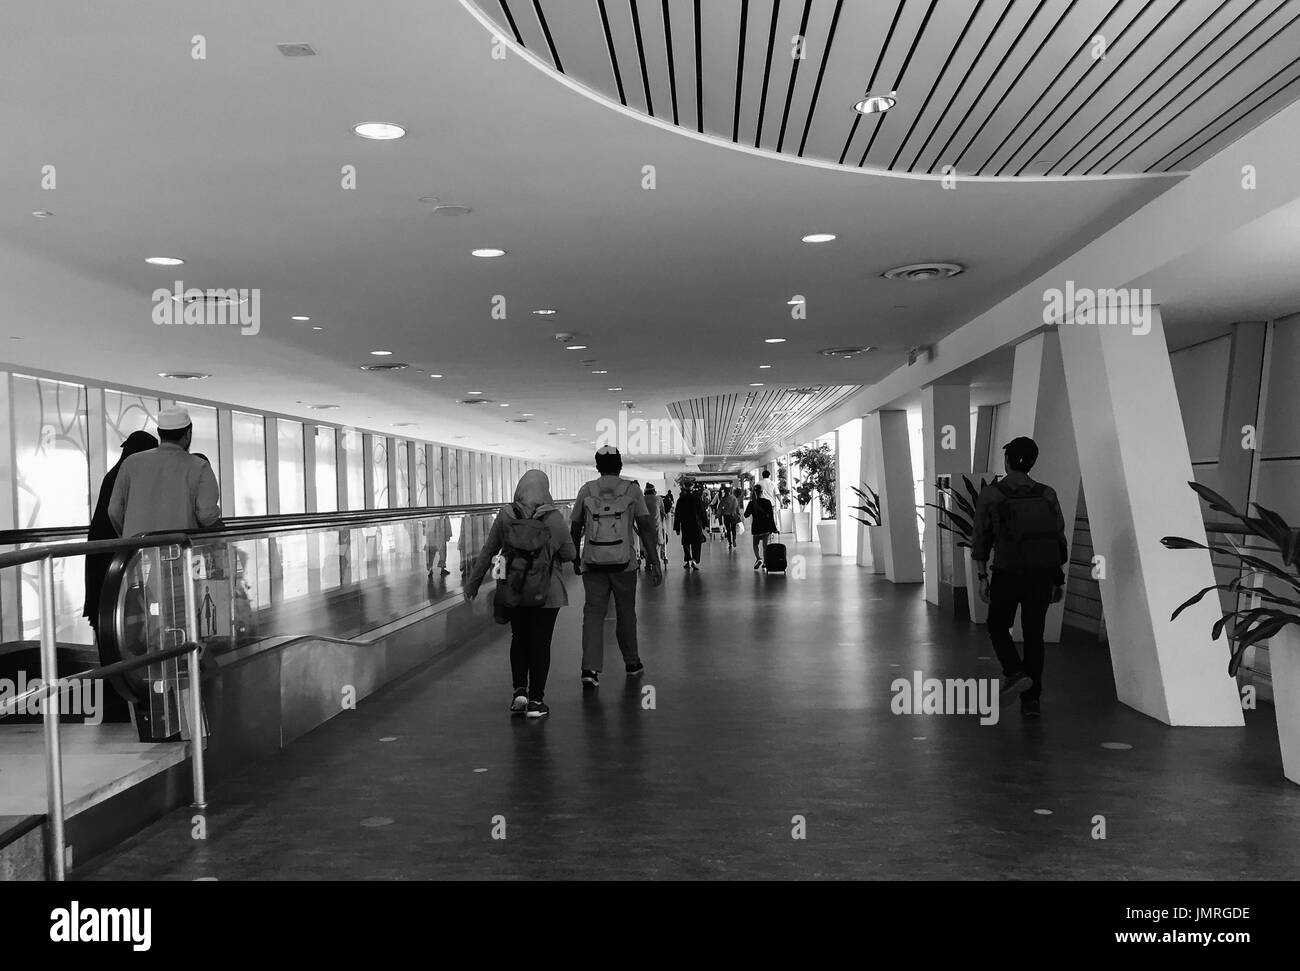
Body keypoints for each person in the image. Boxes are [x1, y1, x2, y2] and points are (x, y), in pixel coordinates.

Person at [970, 436, 1069, 719]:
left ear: (1007, 460)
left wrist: (982, 577)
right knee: (1034, 634)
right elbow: (1058, 538)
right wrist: (1057, 578)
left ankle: (1015, 672)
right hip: (1042, 574)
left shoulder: (993, 494)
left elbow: (980, 539)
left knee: (998, 626)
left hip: (1008, 571)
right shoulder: (1047, 493)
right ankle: (1031, 701)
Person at [464, 470, 576, 718]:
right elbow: (570, 554)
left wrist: (473, 583)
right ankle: (537, 701)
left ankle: (520, 693)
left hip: (514, 588)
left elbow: (488, 551)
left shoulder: (506, 515)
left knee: (519, 639)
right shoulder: (554, 517)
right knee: (541, 644)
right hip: (547, 593)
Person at [570, 447, 662, 688]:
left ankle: (589, 669)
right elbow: (645, 527)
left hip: (593, 563)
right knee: (626, 613)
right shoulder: (632, 490)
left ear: (598, 466)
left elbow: (575, 527)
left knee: (592, 615)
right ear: (620, 466)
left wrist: (573, 558)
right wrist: (653, 561)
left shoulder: (586, 490)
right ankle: (632, 663)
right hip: (625, 565)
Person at [84, 429, 157, 723]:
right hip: (119, 562)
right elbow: (120, 515)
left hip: (102, 561)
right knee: (124, 625)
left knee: (109, 627)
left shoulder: (112, 475)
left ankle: (113, 697)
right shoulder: (130, 477)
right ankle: (125, 692)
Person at [109, 407, 222, 536]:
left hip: (137, 551)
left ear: (159, 432)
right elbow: (206, 515)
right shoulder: (199, 466)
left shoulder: (131, 463)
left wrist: (129, 535)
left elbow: (114, 510)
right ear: (188, 433)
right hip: (179, 550)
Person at [673, 480, 708, 570]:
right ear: (692, 487)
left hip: (685, 525)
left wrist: (677, 527)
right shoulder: (697, 498)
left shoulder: (681, 500)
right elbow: (702, 512)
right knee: (696, 543)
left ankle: (688, 560)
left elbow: (677, 514)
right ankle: (694, 560)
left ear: (684, 487)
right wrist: (705, 523)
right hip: (696, 524)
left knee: (686, 542)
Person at [744, 484, 778, 571]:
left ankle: (759, 558)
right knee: (765, 546)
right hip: (766, 527)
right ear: (762, 492)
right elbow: (771, 517)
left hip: (756, 528)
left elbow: (746, 515)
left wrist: (750, 507)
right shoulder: (767, 502)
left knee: (755, 544)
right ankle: (765, 563)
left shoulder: (752, 503)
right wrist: (774, 529)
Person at [719, 487, 741, 551]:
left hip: (726, 516)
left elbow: (720, 508)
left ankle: (730, 543)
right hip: (733, 515)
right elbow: (737, 507)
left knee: (728, 530)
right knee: (733, 529)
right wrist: (738, 514)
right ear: (730, 492)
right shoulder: (734, 498)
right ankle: (734, 539)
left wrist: (719, 515)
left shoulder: (723, 499)